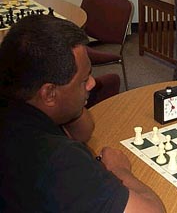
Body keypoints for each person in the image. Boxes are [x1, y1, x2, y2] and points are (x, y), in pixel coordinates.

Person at [0, 15, 165, 212]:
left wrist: (72, 99)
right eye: (84, 80)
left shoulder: (18, 95)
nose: (92, 84)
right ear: (49, 93)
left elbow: (83, 132)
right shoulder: (58, 159)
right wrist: (118, 169)